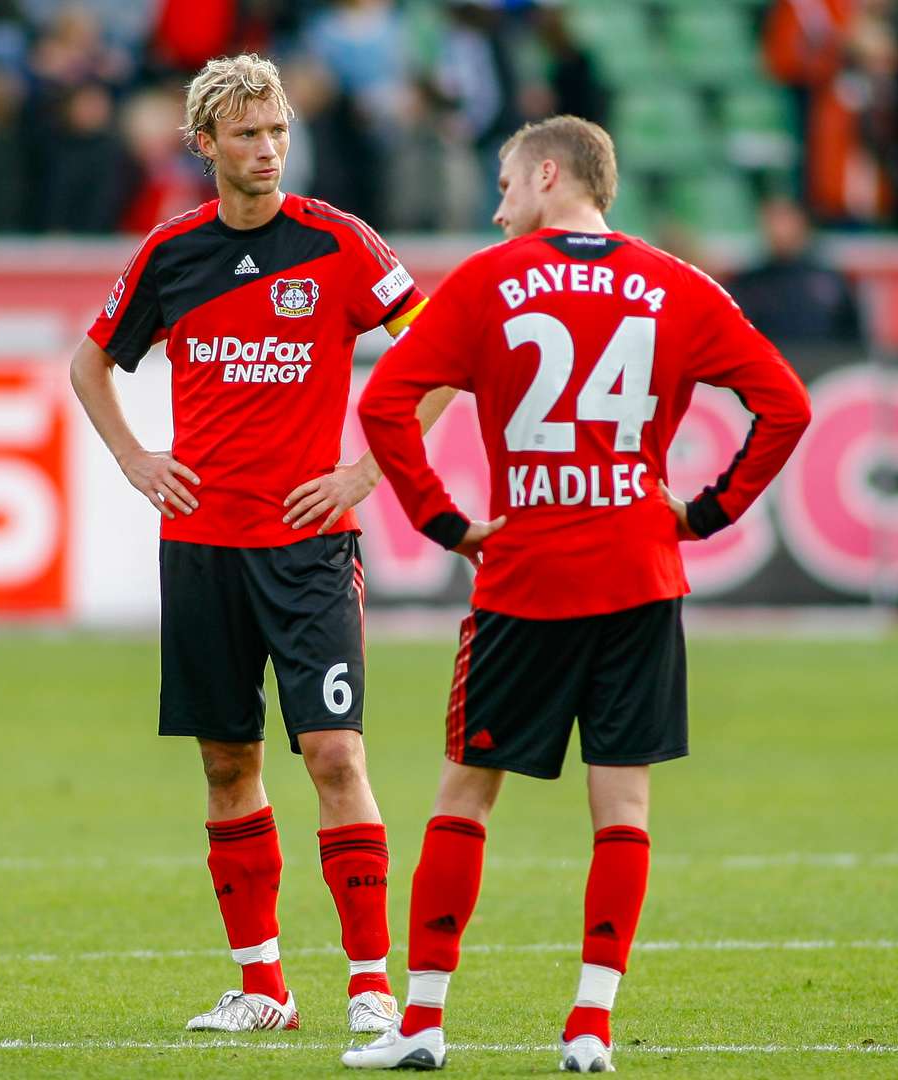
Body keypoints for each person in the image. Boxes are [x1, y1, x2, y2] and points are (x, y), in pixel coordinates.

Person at [347, 115, 811, 1072]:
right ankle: (592, 1028)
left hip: (527, 572)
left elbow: (384, 403)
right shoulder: (679, 285)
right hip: (641, 569)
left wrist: (443, 523)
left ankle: (423, 1023)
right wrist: (710, 511)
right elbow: (787, 405)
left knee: (467, 793)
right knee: (624, 805)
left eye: (508, 184)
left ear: (550, 174)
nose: (497, 203)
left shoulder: (484, 279)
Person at [68, 52, 455, 1036]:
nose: (269, 149)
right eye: (247, 133)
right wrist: (133, 457)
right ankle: (264, 987)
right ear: (204, 145)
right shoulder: (172, 254)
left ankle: (371, 988)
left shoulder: (337, 243)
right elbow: (90, 362)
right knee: (228, 765)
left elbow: (441, 347)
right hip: (201, 545)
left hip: (308, 546)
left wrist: (371, 471)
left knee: (333, 752)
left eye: (278, 130)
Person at [726, 195, 864, 346]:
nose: (779, 229)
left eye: (785, 219)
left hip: (825, 365)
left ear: (803, 223)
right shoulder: (748, 285)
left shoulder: (831, 283)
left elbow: (853, 344)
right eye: (773, 220)